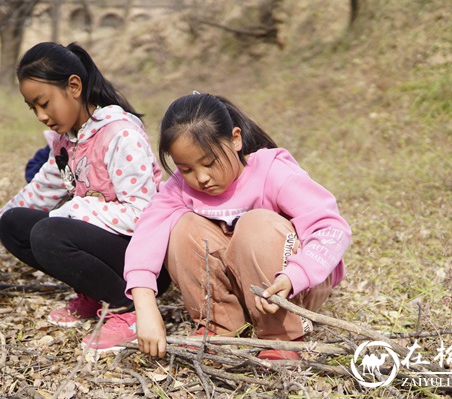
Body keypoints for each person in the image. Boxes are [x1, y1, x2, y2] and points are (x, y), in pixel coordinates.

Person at [0, 41, 171, 353]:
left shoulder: (121, 135)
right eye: (33, 108)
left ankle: (126, 306)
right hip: (109, 248)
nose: (40, 115)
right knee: (15, 224)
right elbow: (36, 193)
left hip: (145, 263)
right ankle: (95, 293)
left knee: (49, 231)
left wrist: (74, 209)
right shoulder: (68, 143)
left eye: (44, 103)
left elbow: (142, 215)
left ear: (74, 86)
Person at [122, 93, 351, 360]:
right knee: (180, 227)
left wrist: (295, 276)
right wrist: (145, 305)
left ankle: (282, 337)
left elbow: (331, 228)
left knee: (256, 224)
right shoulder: (179, 188)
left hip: (293, 289)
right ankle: (220, 326)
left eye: (209, 163)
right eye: (186, 169)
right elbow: (147, 235)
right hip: (245, 289)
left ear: (235, 139)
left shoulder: (272, 172)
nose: (202, 178)